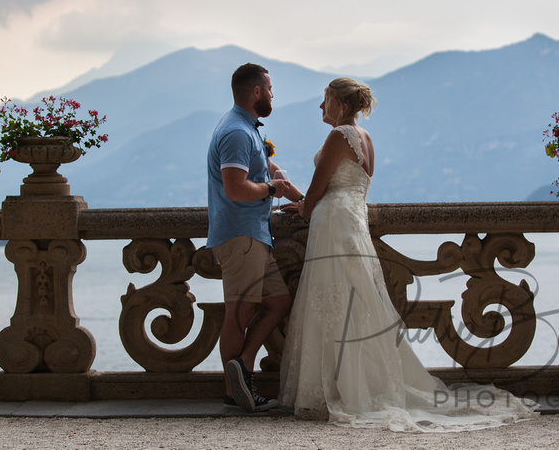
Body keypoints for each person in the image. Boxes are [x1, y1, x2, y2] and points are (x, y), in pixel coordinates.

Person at [279, 77, 538, 431]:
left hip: (334, 226)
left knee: (333, 302)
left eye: (324, 100)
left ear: (341, 104)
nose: (320, 107)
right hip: (352, 223)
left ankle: (338, 389)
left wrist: (285, 187)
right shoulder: (366, 139)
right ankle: (361, 384)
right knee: (358, 304)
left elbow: (312, 199)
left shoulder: (338, 136)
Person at [207, 63, 303, 413]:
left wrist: (300, 199)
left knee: (278, 302)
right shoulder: (236, 132)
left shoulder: (247, 129)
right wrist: (270, 189)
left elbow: (268, 173)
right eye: (271, 89)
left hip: (255, 235)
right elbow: (235, 188)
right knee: (240, 311)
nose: (274, 95)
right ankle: (235, 391)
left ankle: (243, 364)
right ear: (257, 92)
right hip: (239, 235)